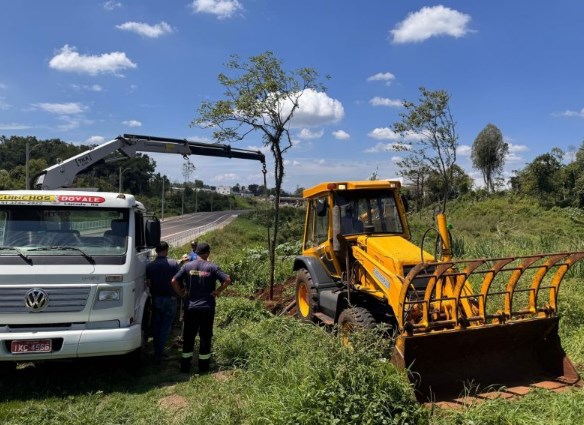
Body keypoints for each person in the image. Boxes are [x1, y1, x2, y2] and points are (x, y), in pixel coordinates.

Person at [171, 242, 231, 373]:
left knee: (188, 336)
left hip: (191, 307)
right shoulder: (213, 267)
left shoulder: (187, 266)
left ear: (196, 253)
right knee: (205, 336)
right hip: (207, 307)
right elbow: (227, 280)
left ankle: (185, 366)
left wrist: (181, 294)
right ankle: (203, 367)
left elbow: (174, 281)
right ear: (208, 253)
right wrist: (218, 291)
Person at [146, 241, 180, 362]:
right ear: (167, 249)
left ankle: (157, 350)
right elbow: (178, 281)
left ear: (156, 251)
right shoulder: (173, 264)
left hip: (156, 299)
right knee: (166, 326)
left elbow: (149, 284)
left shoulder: (150, 266)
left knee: (156, 325)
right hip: (170, 298)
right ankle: (160, 353)